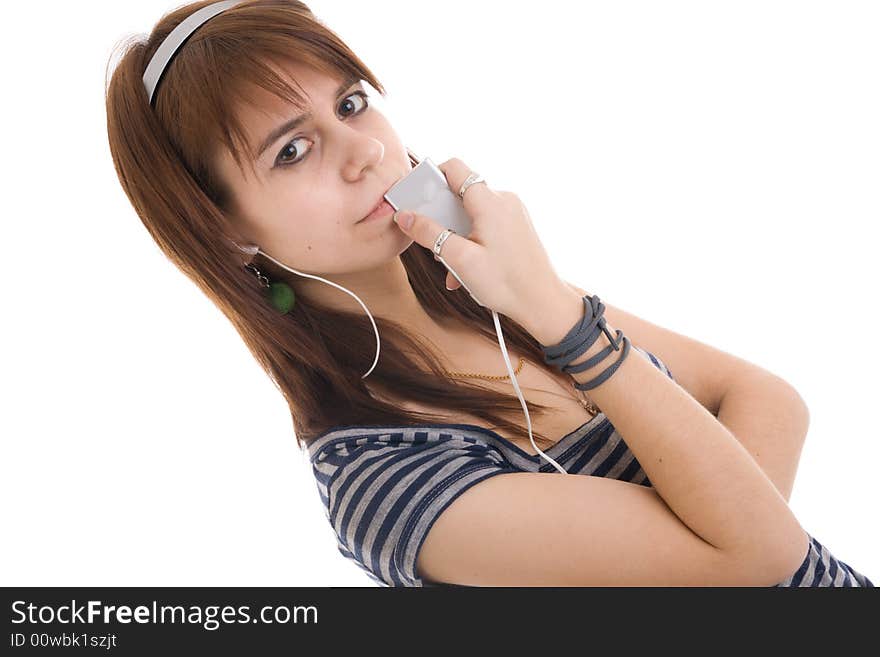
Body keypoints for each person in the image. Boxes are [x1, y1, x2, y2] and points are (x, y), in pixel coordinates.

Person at [105, 0, 874, 587]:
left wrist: (727, 525)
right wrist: (725, 519)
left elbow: (768, 396)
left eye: (350, 103)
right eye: (293, 150)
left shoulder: (482, 286)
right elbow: (764, 550)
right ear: (225, 231)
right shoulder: (385, 473)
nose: (365, 152)